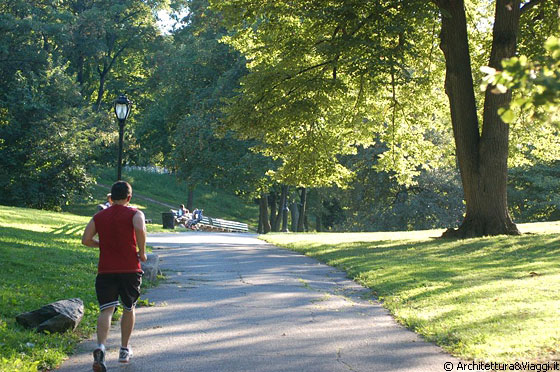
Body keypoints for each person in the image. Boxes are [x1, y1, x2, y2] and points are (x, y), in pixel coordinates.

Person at [82, 181, 147, 372]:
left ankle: (101, 347)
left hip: (106, 270)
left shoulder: (99, 216)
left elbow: (85, 240)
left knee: (106, 310)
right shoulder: (136, 213)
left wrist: (102, 245)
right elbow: (140, 229)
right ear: (129, 197)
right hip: (129, 269)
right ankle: (124, 349)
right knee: (129, 307)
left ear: (110, 197)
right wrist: (142, 252)